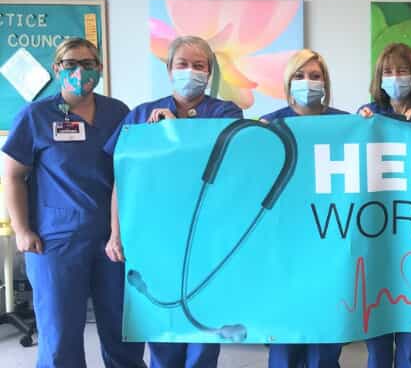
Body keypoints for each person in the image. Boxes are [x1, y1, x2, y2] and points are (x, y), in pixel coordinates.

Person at [2, 37, 146, 367]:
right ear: (57, 69)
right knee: (60, 333)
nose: (80, 71)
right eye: (71, 64)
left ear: (100, 69)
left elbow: (129, 172)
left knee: (122, 328)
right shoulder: (36, 115)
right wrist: (22, 229)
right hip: (55, 241)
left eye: (88, 64)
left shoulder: (117, 112)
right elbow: (12, 176)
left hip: (114, 238)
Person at [103, 35, 243, 368]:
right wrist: (115, 233)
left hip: (208, 238)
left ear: (209, 73)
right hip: (156, 238)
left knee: (204, 332)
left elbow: (228, 161)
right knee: (162, 330)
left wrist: (175, 129)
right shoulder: (141, 116)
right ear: (168, 69)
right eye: (182, 64)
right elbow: (122, 180)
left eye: (199, 66)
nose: (190, 71)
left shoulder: (225, 112)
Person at [261, 49, 347, 368]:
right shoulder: (269, 124)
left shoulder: (345, 123)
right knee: (283, 329)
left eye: (315, 75)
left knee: (325, 327)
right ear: (288, 82)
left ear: (325, 82)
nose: (307, 82)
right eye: (300, 76)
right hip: (283, 239)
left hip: (329, 236)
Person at [358, 42, 411, 368]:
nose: (395, 78)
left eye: (402, 70)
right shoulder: (365, 116)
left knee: (410, 347)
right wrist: (362, 126)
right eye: (388, 72)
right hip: (376, 239)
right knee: (377, 345)